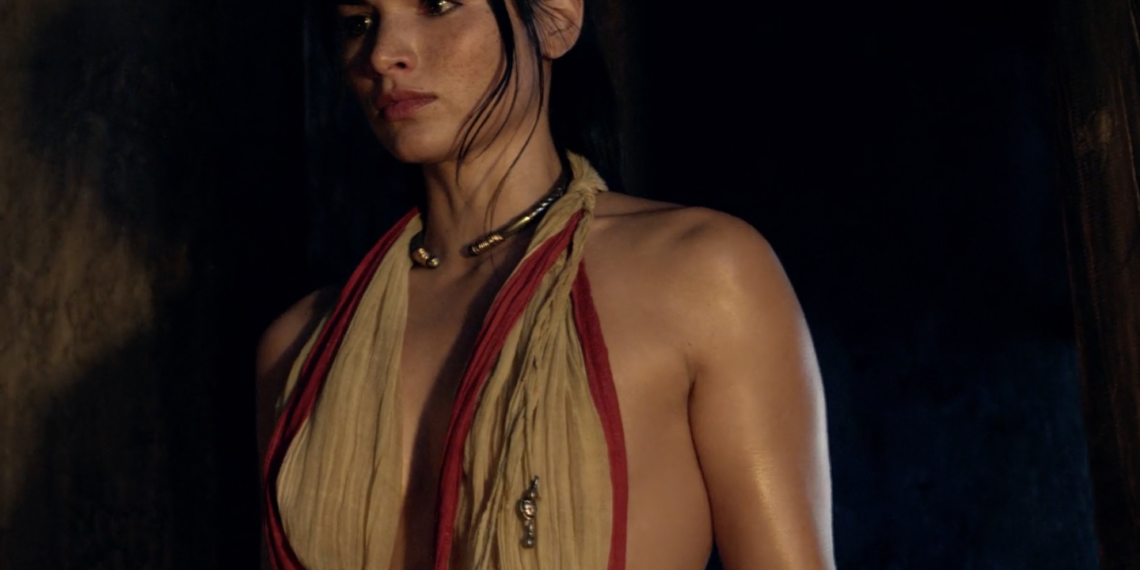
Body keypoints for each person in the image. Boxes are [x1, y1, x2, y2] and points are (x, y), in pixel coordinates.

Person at [255, 0, 836, 567]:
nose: (382, 54)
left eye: (437, 5)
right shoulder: (300, 345)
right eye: (360, 22)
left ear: (556, 18)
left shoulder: (701, 274)